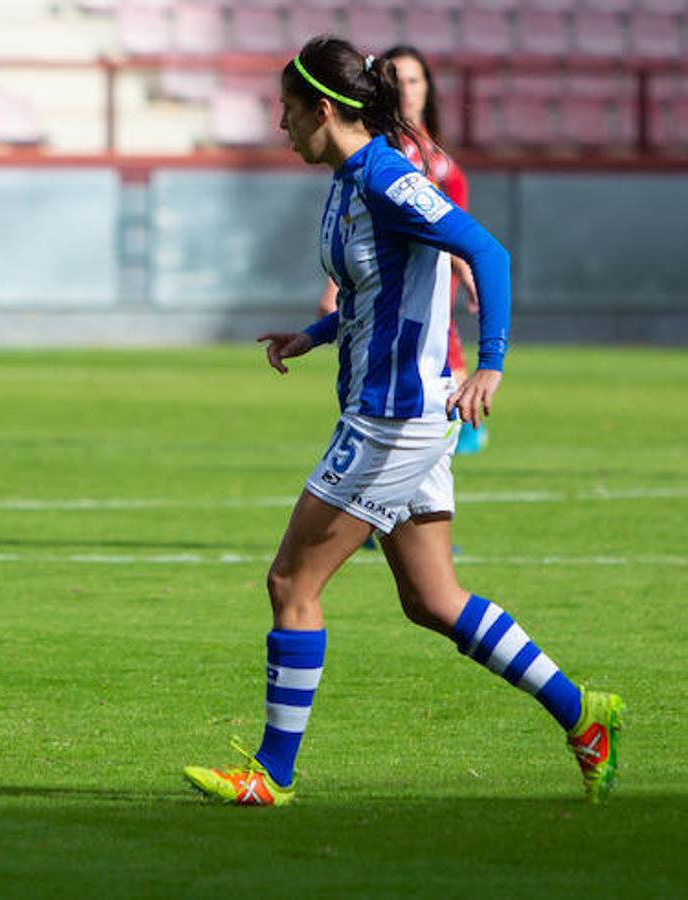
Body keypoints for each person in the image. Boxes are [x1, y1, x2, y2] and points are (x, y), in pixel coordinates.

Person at [182, 37, 622, 806]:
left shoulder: (386, 176)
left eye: (286, 111)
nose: (279, 126)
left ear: (323, 109)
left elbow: (485, 250)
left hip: (393, 418)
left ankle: (269, 775)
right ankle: (582, 716)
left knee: (291, 580)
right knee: (431, 599)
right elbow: (369, 290)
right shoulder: (347, 178)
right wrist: (310, 337)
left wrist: (491, 361)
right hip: (393, 411)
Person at [316, 44, 488, 454]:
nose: (408, 90)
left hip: (431, 305)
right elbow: (359, 226)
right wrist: (333, 287)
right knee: (429, 427)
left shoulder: (439, 162)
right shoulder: (383, 159)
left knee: (447, 431)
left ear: (428, 89)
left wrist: (468, 270)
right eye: (401, 80)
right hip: (400, 303)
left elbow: (464, 234)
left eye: (416, 80)